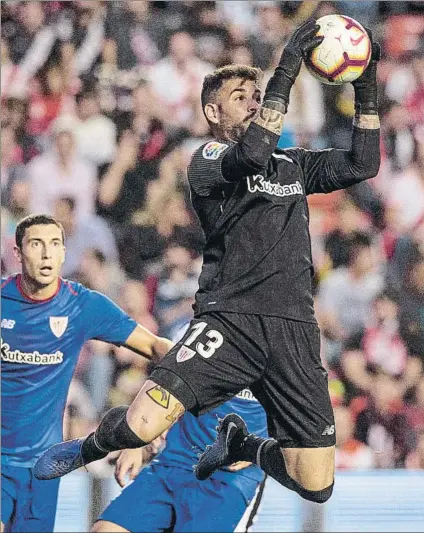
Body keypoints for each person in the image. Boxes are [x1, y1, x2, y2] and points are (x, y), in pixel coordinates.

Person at [35, 19, 381, 506]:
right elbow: (255, 149)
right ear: (213, 111)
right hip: (230, 321)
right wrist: (287, 66)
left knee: (316, 483)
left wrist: (366, 82)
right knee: (141, 425)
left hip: (293, 327)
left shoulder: (294, 165)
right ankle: (89, 447)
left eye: (258, 94)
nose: (256, 101)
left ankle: (240, 444)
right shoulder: (208, 159)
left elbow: (363, 164)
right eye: (244, 96)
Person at [1, 214, 173, 533]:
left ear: (64, 253)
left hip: (43, 466)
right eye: (36, 244)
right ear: (17, 253)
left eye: (54, 244)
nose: (46, 253)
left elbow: (156, 348)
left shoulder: (82, 306)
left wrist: (202, 372)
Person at [92, 389, 267, 533]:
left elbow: (292, 416)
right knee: (106, 529)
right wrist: (136, 440)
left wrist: (259, 447)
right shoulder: (205, 347)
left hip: (230, 481)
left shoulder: (285, 354)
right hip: (174, 462)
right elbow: (166, 380)